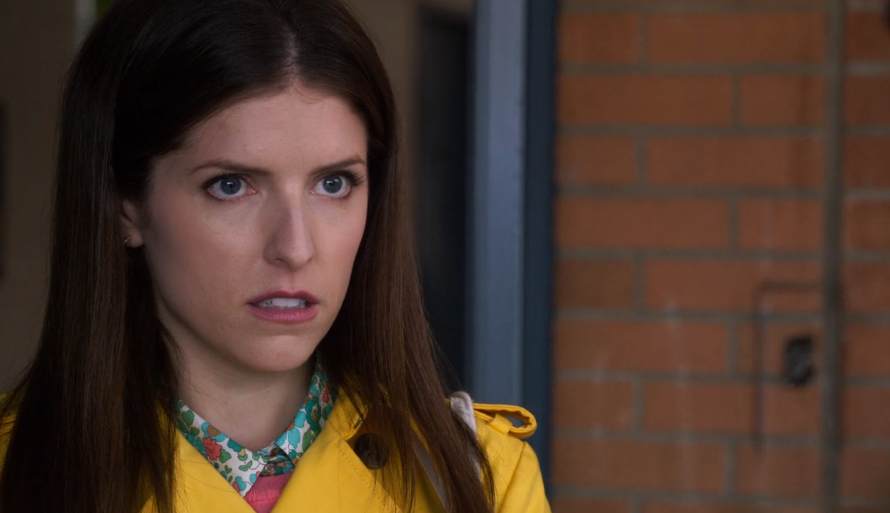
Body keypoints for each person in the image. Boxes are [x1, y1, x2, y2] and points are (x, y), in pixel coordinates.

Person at [0, 0, 549, 512]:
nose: (295, 248)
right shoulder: (15, 470)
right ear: (126, 205)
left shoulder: (479, 479)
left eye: (333, 183)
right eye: (231, 185)